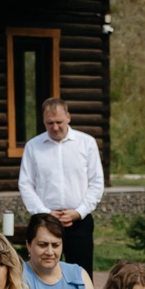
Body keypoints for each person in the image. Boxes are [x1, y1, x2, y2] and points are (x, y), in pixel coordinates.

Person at [15, 96, 105, 272]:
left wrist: (79, 212)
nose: (55, 127)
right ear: (43, 121)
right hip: (44, 221)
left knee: (81, 275)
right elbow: (25, 184)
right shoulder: (33, 147)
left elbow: (96, 182)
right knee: (42, 273)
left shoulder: (86, 143)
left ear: (68, 117)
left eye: (59, 122)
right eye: (50, 123)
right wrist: (45, 213)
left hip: (79, 222)